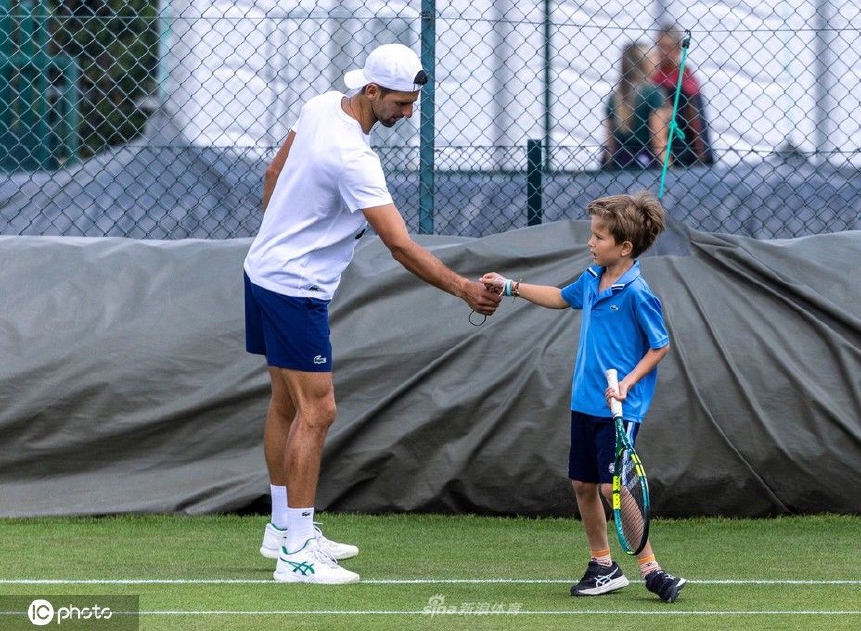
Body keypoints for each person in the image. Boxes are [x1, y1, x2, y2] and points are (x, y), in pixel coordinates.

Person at [244, 43, 502, 585]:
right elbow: (400, 245)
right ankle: (297, 555)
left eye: (412, 104)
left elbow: (273, 172)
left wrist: (282, 235)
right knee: (318, 411)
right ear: (371, 91)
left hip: (263, 271)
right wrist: (463, 290)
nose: (408, 114)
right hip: (295, 289)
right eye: (401, 104)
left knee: (287, 404)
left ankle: (283, 527)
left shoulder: (319, 105)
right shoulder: (355, 159)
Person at [479, 192, 686, 602]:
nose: (590, 243)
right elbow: (559, 298)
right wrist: (510, 287)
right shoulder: (592, 279)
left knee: (612, 489)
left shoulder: (638, 292)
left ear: (624, 247)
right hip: (585, 402)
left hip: (619, 408)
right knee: (582, 484)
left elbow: (659, 346)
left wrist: (627, 383)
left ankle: (651, 569)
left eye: (599, 237)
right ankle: (603, 566)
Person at [652, 23, 714, 166]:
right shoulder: (653, 77)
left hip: (684, 148)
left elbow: (697, 121)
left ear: (678, 49)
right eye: (660, 46)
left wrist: (703, 154)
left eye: (667, 47)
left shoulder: (686, 78)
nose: (663, 52)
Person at [601, 43, 667, 170]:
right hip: (647, 164)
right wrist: (669, 169)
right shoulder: (653, 93)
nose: (658, 61)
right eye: (654, 57)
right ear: (644, 64)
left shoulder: (615, 97)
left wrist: (608, 167)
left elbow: (610, 143)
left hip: (620, 164)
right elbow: (658, 140)